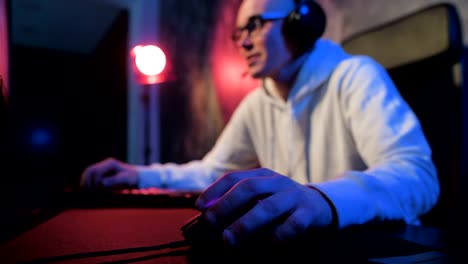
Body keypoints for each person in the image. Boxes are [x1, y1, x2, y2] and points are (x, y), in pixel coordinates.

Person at [81, 0, 439, 247]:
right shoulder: (257, 102)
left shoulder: (356, 75)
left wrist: (322, 199)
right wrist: (140, 176)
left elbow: (417, 177)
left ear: (302, 22)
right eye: (238, 33)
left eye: (255, 25)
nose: (244, 42)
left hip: (383, 246)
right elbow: (214, 172)